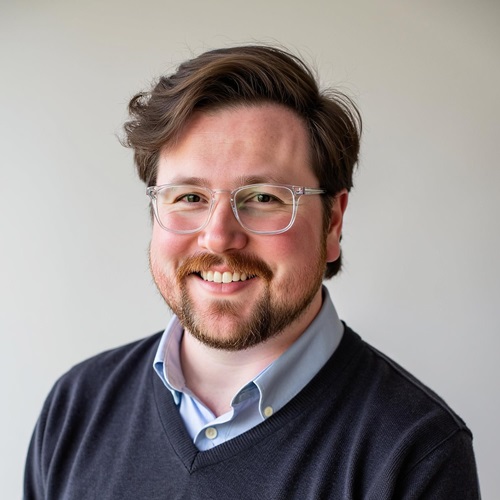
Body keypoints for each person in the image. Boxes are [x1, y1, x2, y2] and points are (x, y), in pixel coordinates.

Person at [24, 45, 480, 499]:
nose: (218, 237)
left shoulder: (416, 452)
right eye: (189, 197)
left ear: (333, 223)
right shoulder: (77, 407)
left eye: (263, 198)